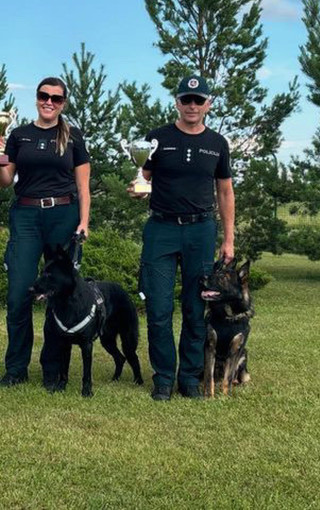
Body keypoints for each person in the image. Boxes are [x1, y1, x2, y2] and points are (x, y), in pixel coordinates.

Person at [127, 75, 235, 401]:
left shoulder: (217, 143)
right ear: (176, 102)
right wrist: (136, 188)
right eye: (186, 99)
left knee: (194, 308)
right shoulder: (157, 139)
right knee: (159, 309)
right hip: (161, 229)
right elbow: (141, 179)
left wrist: (228, 239)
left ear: (208, 104)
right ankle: (163, 378)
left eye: (198, 100)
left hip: (201, 231)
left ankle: (188, 377)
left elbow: (225, 191)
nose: (192, 106)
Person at [0, 77, 91, 388]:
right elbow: (6, 181)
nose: (49, 102)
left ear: (63, 103)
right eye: (44, 96)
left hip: (64, 214)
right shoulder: (19, 135)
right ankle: (16, 369)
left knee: (59, 295)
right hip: (27, 216)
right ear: (36, 98)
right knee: (19, 293)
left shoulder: (73, 136)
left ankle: (53, 370)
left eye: (56, 98)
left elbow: (83, 186)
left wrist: (84, 222)